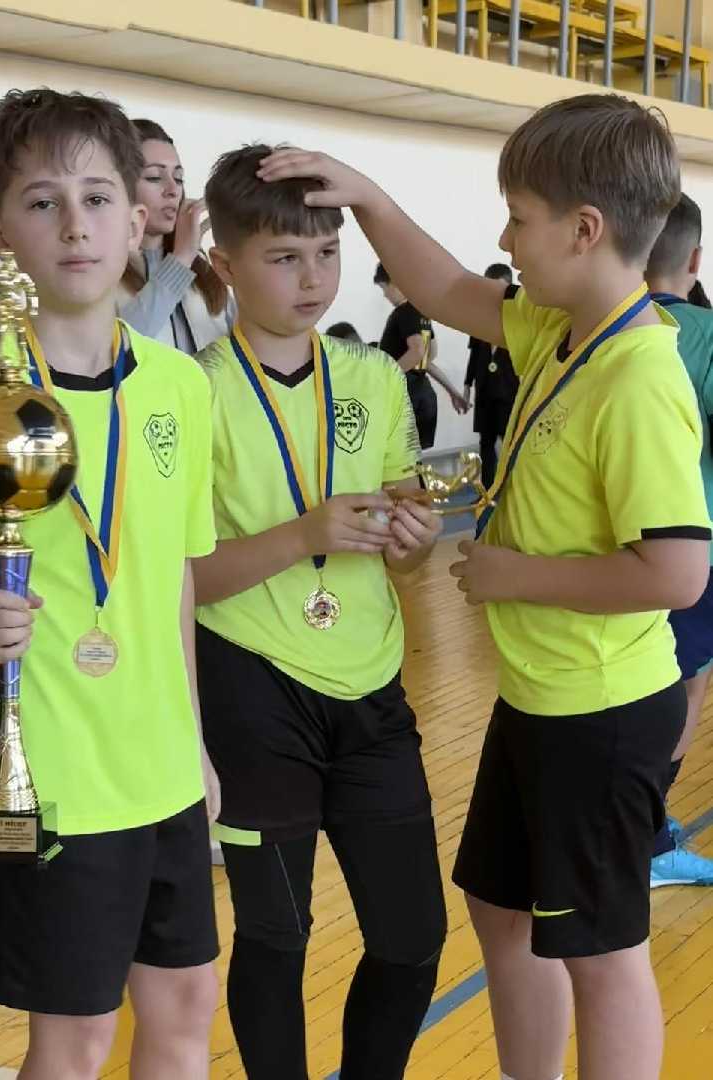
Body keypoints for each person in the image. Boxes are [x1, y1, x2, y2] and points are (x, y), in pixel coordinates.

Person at [256, 92, 711, 1080]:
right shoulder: (561, 328)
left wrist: (516, 573)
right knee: (502, 910)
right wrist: (369, 197)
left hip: (599, 710)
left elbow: (679, 574)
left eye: (519, 218)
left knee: (602, 952)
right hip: (543, 697)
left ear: (584, 230)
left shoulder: (638, 375)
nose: (504, 240)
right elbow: (448, 284)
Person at [0, 89, 219, 1079]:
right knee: (75, 1036)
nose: (75, 224)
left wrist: (195, 742)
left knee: (185, 1004)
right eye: (43, 202)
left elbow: (173, 577)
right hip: (43, 778)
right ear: (1, 237)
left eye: (97, 198)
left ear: (141, 220)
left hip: (160, 765)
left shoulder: (181, 386)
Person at [193, 144, 446, 1080]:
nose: (313, 279)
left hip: (370, 682)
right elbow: (179, 578)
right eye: (284, 257)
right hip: (252, 684)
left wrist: (413, 537)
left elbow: (404, 532)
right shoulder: (190, 392)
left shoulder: (373, 377)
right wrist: (303, 533)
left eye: (328, 253)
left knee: (413, 935)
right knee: (276, 934)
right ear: (224, 263)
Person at [646, 193, 713, 888]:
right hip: (692, 552)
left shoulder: (589, 328)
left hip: (606, 552)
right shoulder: (705, 335)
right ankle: (647, 840)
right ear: (695, 259)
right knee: (684, 691)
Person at [118, 118, 235, 353]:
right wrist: (181, 258)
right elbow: (119, 349)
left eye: (178, 178)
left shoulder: (206, 275)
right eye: (154, 177)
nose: (173, 190)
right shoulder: (102, 273)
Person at [375, 262, 468, 448]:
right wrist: (453, 392)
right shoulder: (421, 314)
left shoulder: (404, 312)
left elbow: (417, 352)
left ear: (395, 282)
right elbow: (427, 358)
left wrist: (386, 376)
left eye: (384, 288)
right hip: (423, 394)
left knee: (398, 456)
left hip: (406, 395)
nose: (384, 295)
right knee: (413, 456)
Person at [464, 264, 519, 489]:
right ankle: (487, 491)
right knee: (485, 444)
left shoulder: (519, 317)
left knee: (510, 443)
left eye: (499, 288)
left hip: (509, 391)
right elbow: (474, 355)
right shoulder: (479, 317)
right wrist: (467, 386)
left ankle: (511, 490)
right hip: (485, 390)